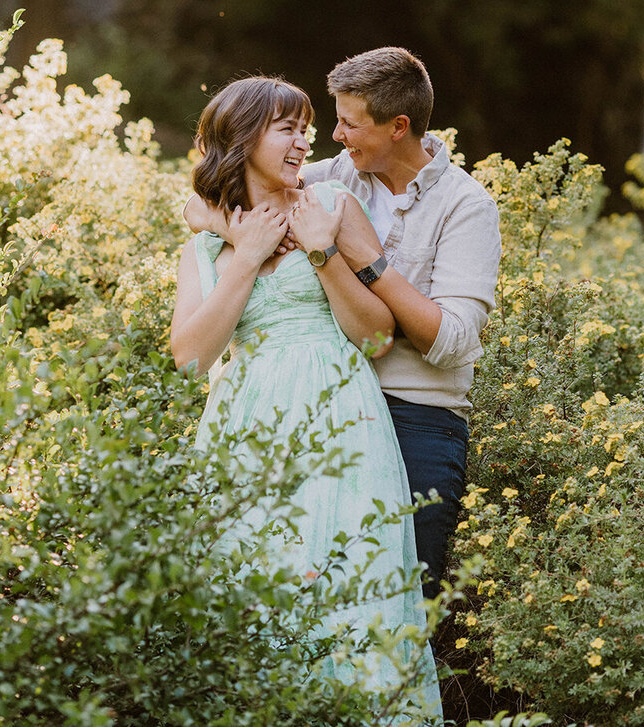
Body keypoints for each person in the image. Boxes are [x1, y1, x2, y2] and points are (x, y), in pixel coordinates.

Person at [170, 75, 443, 724]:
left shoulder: (332, 205)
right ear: (242, 139)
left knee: (356, 602)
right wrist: (243, 257)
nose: (305, 140)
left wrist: (321, 254)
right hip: (246, 440)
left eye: (306, 126)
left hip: (342, 429)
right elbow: (188, 361)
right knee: (253, 604)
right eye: (287, 127)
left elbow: (377, 337)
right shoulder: (205, 244)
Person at [185, 48, 501, 599]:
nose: (331, 137)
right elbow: (224, 189)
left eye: (349, 124)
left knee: (390, 598)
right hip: (308, 408)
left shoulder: (464, 205)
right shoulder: (329, 178)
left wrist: (362, 260)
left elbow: (451, 342)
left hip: (416, 415)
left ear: (398, 127)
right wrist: (231, 231)